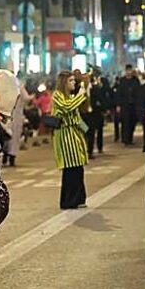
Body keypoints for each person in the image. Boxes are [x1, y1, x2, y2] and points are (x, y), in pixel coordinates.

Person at [51, 71, 89, 209]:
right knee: (70, 168)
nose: (74, 83)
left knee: (78, 168)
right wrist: (80, 96)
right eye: (71, 81)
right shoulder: (57, 95)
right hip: (65, 134)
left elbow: (77, 117)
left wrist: (86, 130)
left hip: (75, 133)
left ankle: (79, 198)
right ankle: (68, 200)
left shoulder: (70, 96)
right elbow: (68, 107)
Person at [85, 70, 111, 157]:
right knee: (85, 132)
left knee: (93, 131)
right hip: (83, 114)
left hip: (94, 113)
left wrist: (105, 109)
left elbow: (101, 98)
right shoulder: (81, 90)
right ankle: (85, 149)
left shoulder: (96, 88)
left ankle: (90, 151)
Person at [115, 66, 141, 145]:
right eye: (128, 70)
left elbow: (139, 92)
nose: (129, 72)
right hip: (124, 105)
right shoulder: (122, 81)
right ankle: (125, 139)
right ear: (126, 71)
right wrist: (118, 105)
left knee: (133, 122)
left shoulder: (135, 80)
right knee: (125, 122)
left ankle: (130, 138)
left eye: (130, 70)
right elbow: (119, 93)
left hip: (134, 105)